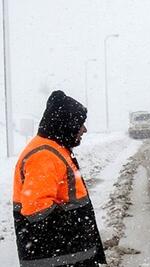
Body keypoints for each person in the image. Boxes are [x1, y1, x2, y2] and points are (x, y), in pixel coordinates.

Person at [13, 90, 106, 266]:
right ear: (67, 123)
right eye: (80, 123)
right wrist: (76, 228)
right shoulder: (44, 154)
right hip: (57, 259)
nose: (84, 130)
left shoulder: (55, 148)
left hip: (65, 257)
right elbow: (36, 209)